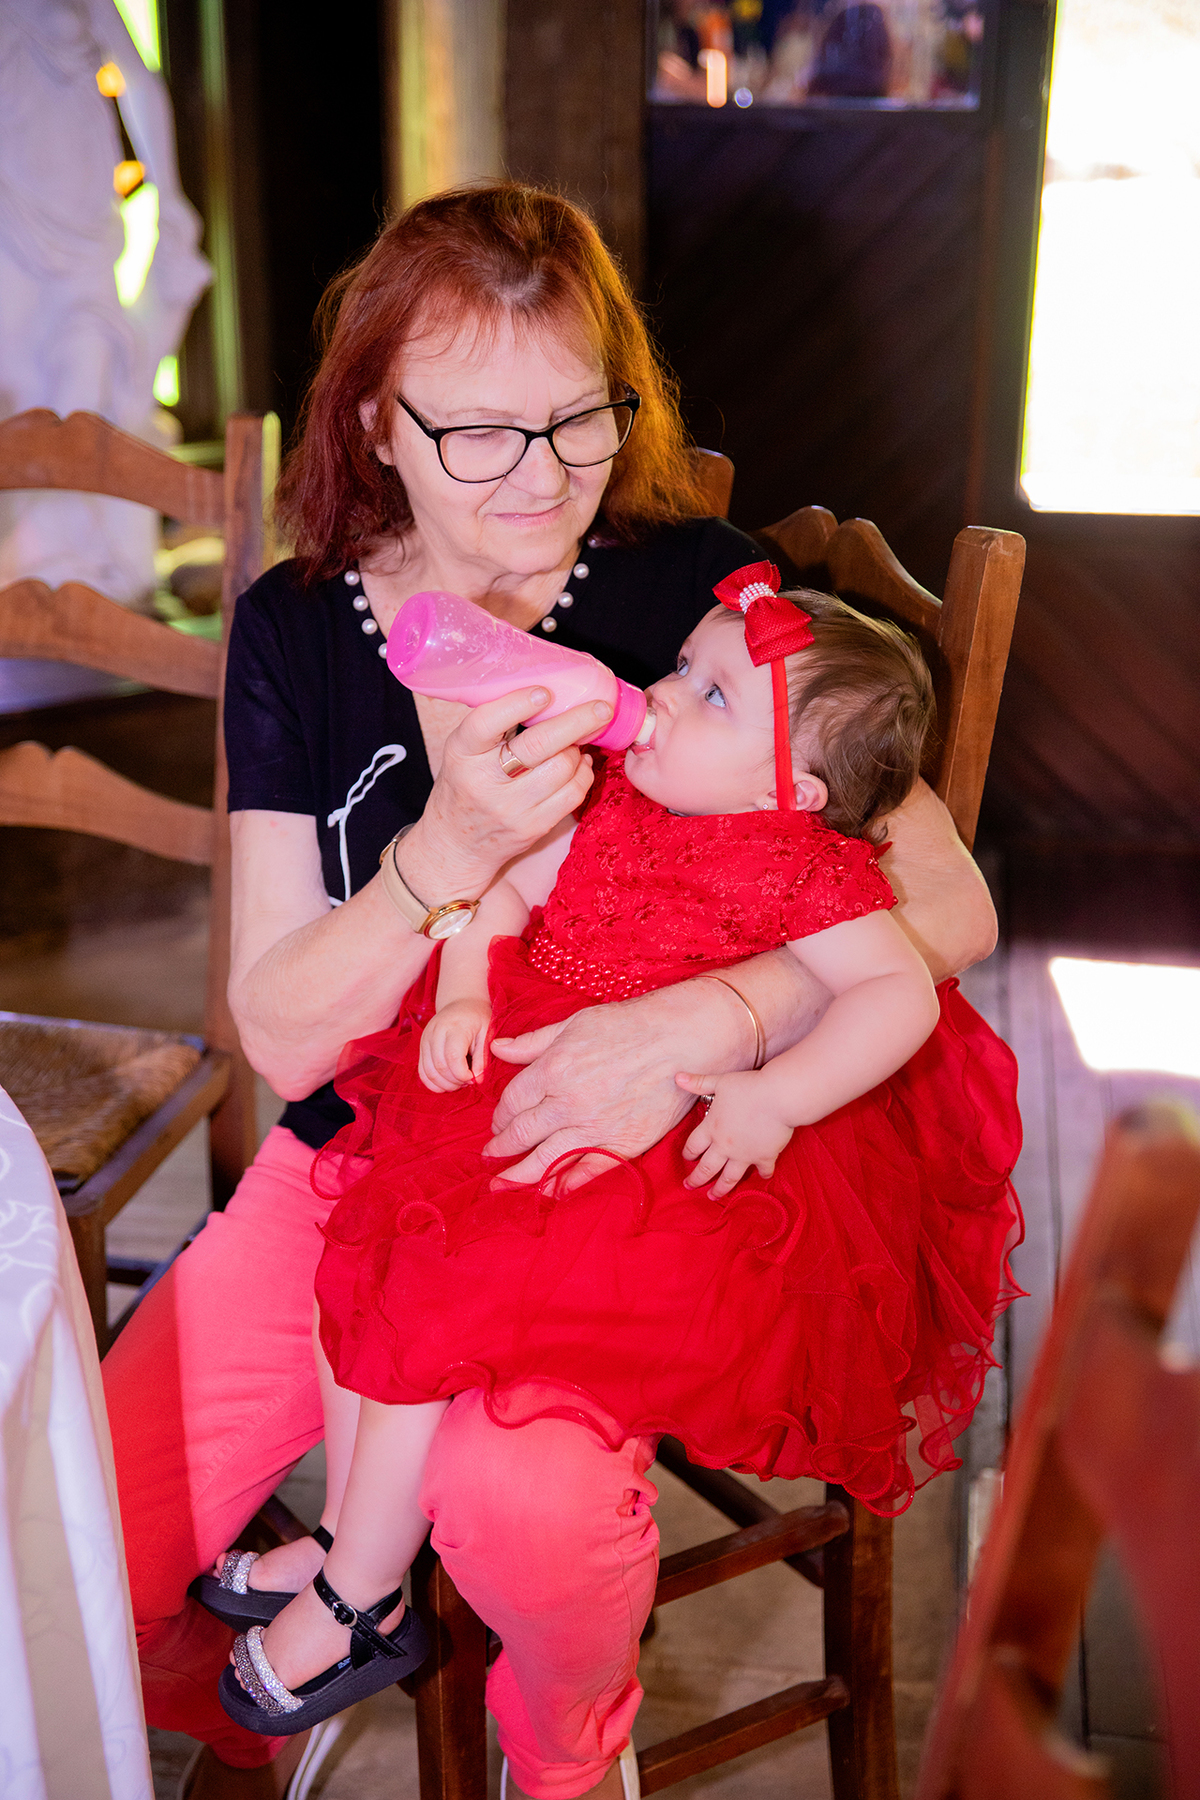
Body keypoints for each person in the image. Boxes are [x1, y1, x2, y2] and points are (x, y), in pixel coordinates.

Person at [101, 183, 999, 1800]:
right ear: (379, 424)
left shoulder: (699, 604)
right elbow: (286, 1026)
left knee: (519, 1506)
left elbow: (946, 904)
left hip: (594, 1167)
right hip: (355, 1156)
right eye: (484, 437)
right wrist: (439, 860)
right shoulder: (297, 637)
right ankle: (310, 1625)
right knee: (81, 1519)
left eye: (582, 420)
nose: (547, 480)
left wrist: (706, 1023)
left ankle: (571, 1755)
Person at [208, 572, 1021, 1741]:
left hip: (661, 1168)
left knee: (428, 1294)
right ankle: (349, 1539)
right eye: (683, 666)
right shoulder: (609, 798)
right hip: (529, 1080)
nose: (663, 697)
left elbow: (899, 1000)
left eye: (712, 695)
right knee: (373, 1266)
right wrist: (469, 989)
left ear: (792, 788)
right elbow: (491, 885)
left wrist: (778, 1098)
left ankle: (357, 1602)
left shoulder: (805, 871)